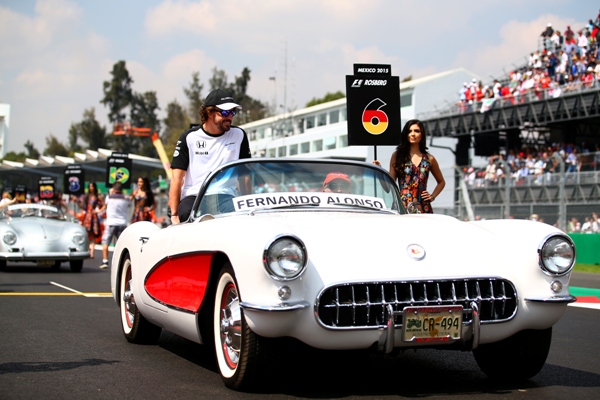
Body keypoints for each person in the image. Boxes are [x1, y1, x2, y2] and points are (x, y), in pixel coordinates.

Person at [169, 89, 251, 224]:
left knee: (238, 220)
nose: (229, 117)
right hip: (195, 196)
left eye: (232, 112)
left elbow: (245, 175)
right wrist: (174, 215)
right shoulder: (189, 137)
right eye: (225, 112)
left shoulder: (239, 135)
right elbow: (176, 178)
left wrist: (248, 206)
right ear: (209, 112)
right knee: (186, 216)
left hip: (226, 195)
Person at [373, 119, 445, 213]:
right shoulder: (397, 156)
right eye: (409, 131)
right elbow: (389, 186)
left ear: (422, 134)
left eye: (417, 131)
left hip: (423, 207)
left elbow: (441, 182)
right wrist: (379, 170)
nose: (413, 134)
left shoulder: (429, 159)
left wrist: (432, 196)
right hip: (402, 206)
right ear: (405, 134)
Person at [97, 182, 130, 269]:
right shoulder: (126, 198)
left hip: (111, 223)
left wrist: (110, 192)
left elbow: (105, 203)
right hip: (122, 223)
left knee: (105, 242)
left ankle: (105, 261)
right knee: (121, 244)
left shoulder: (109, 197)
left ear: (114, 189)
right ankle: (120, 262)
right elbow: (129, 202)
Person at [77, 182, 104, 258]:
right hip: (87, 216)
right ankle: (88, 249)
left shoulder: (97, 196)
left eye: (92, 186)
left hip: (93, 216)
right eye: (90, 187)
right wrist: (77, 201)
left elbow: (104, 205)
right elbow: (82, 206)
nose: (91, 188)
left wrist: (98, 211)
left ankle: (92, 251)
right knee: (87, 233)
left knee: (93, 233)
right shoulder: (87, 196)